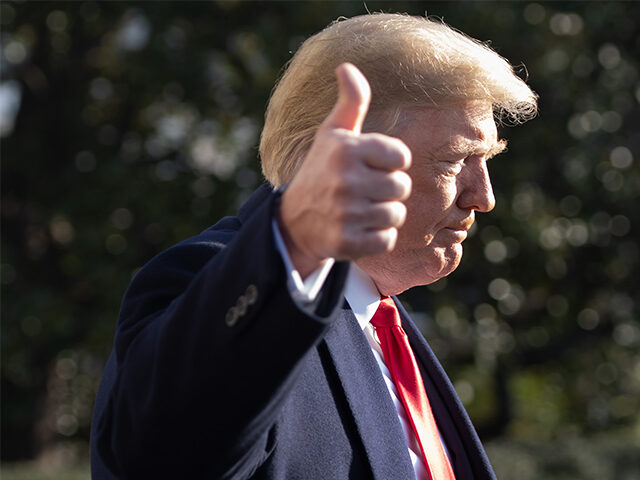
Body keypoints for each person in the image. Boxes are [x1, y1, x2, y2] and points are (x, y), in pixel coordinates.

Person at [91, 13, 537, 480]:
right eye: (454, 160)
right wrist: (293, 242)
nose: (483, 197)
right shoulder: (222, 284)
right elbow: (159, 459)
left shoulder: (383, 320)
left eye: (486, 159)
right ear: (338, 157)